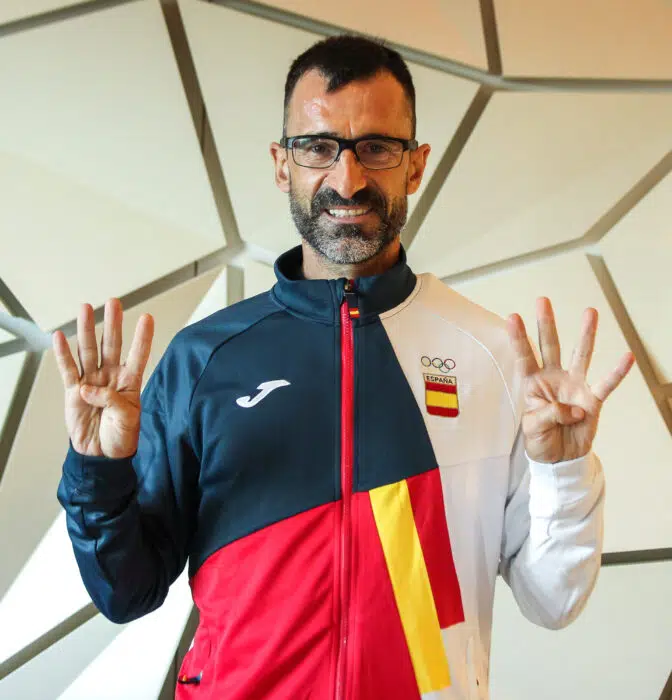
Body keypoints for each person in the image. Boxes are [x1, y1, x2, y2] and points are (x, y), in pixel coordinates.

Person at [54, 35, 634, 700]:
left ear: (415, 166)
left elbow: (553, 600)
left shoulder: (492, 354)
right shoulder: (204, 359)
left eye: (377, 148)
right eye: (318, 147)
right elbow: (126, 592)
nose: (348, 179)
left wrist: (564, 471)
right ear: (283, 164)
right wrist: (97, 473)